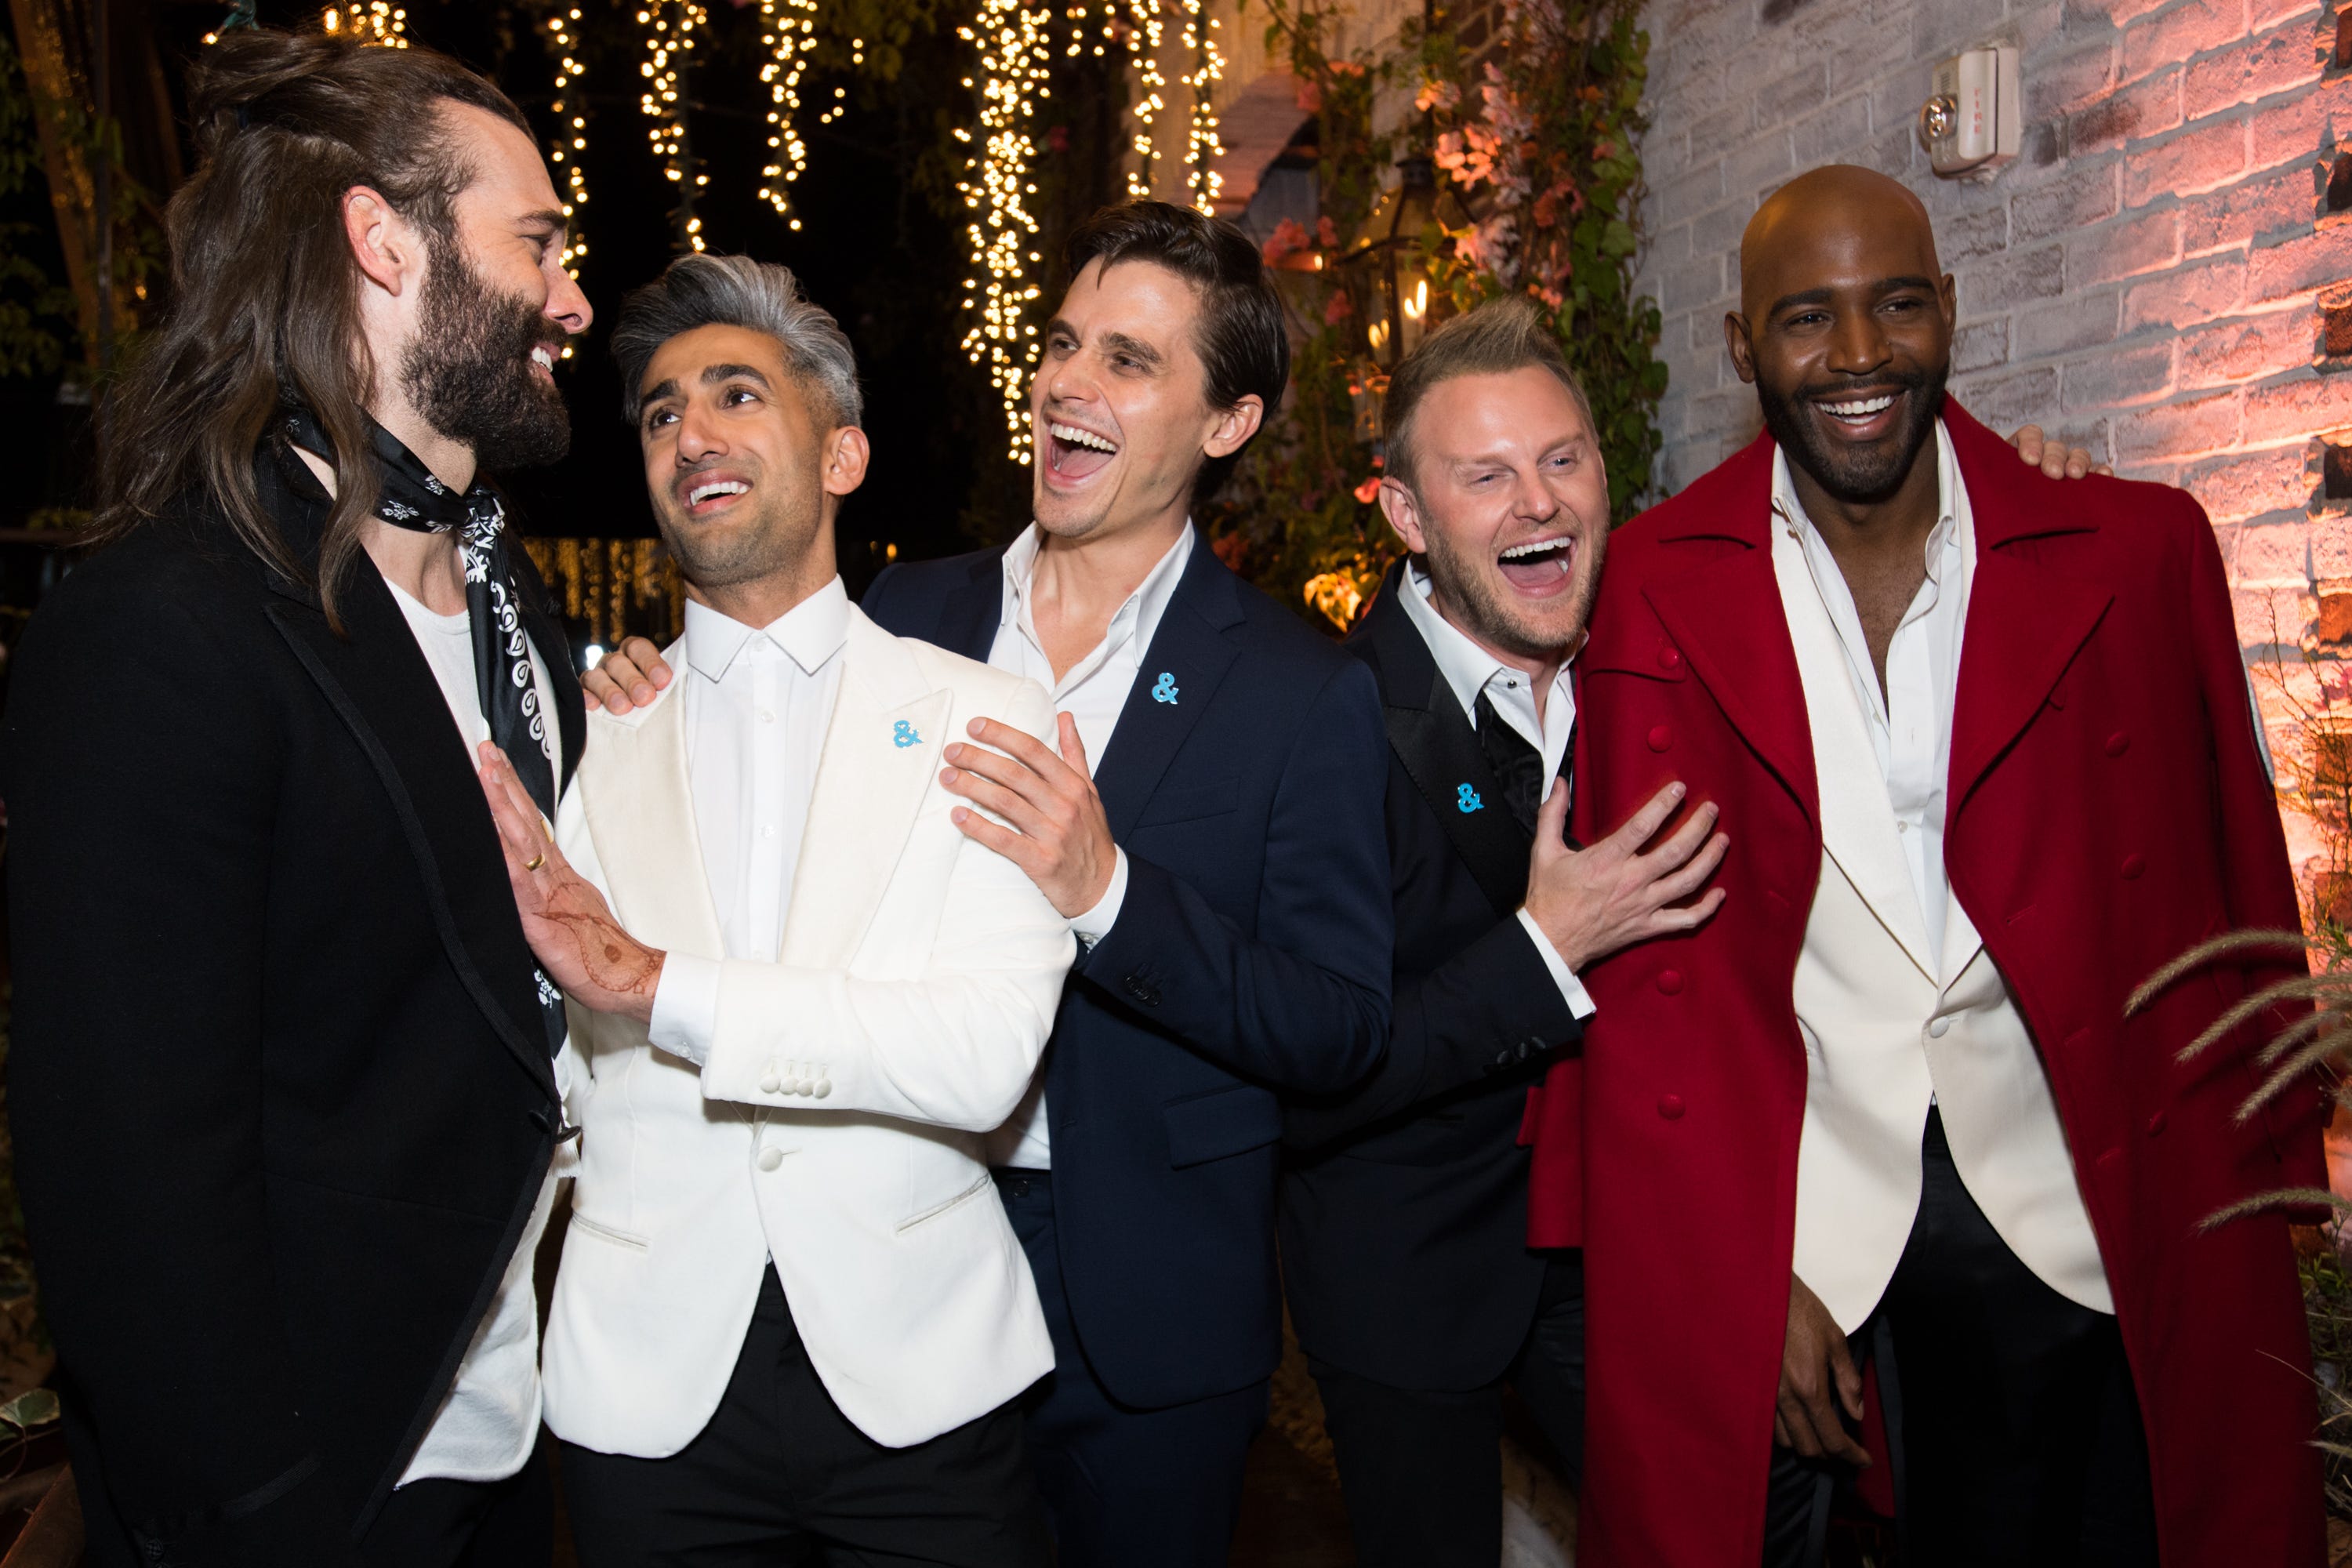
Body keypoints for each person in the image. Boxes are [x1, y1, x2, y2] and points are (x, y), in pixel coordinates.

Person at [1525, 163, 2327, 1566]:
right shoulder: (1653, 582)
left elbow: (2235, 868)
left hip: (2086, 1186)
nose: (1856, 356)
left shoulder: (2134, 552)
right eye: (1805, 318)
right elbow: (1662, 979)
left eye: (1896, 305)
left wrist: (2282, 1147)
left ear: (1951, 311)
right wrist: (1736, 1267)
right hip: (1819, 1209)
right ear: (1740, 347)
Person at [583, 199, 1393, 1566]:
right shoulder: (908, 614)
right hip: (886, 1250)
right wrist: (654, 695)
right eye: (1065, 344)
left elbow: (1339, 1027)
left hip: (1137, 1292)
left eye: (1130, 363)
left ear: (1227, 424)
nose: (1069, 383)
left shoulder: (1303, 692)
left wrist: (1110, 892)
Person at [2, 31, 590, 1567]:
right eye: (538, 243)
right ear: (380, 241)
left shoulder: (518, 614)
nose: (574, 298)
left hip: (513, 1448)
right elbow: (132, 1191)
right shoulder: (164, 626)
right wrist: (259, 1523)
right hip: (318, 1492)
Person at [471, 254, 1074, 1566]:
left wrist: (657, 985)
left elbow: (981, 1059)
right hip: (643, 1400)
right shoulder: (584, 739)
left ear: (842, 455)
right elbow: (549, 1084)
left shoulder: (994, 721)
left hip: (923, 1385)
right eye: (662, 412)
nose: (693, 432)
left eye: (739, 393)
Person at [1277, 296, 1724, 1566]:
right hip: (1408, 1282)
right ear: (1409, 516)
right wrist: (1542, 950)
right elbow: (1307, 1079)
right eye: (1486, 477)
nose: (1539, 504)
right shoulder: (1322, 722)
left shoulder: (1659, 657)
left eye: (1562, 460)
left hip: (1632, 1251)